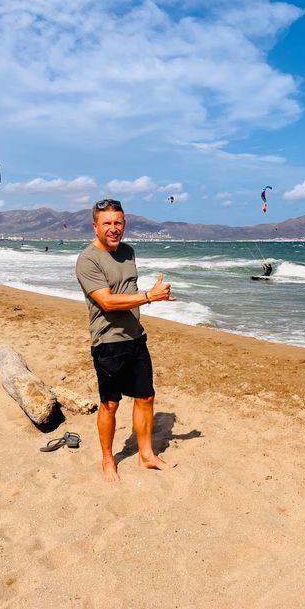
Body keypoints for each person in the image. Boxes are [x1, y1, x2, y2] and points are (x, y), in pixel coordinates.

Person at [75, 198, 177, 482]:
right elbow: (106, 302)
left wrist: (155, 294)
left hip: (135, 337)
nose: (113, 228)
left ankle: (146, 455)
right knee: (110, 404)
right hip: (108, 342)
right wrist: (148, 296)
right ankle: (109, 459)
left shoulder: (129, 252)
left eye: (118, 222)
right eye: (107, 223)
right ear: (95, 226)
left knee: (146, 397)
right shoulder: (87, 259)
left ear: (124, 224)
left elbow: (126, 291)